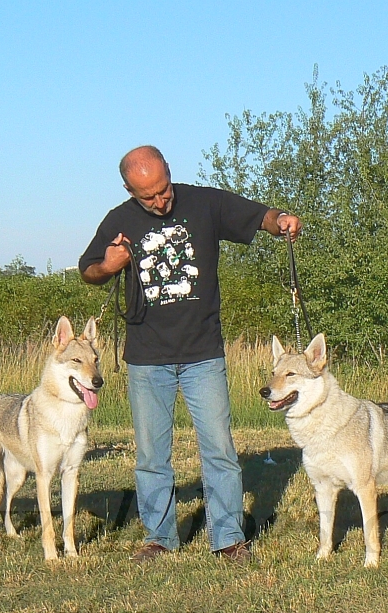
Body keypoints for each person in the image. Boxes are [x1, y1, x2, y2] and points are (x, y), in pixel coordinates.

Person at [79, 145, 301, 563]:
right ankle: (159, 538)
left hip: (203, 355)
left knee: (219, 449)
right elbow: (88, 269)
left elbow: (259, 216)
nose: (161, 200)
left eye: (164, 190)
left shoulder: (204, 202)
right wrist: (108, 266)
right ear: (130, 190)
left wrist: (281, 221)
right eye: (149, 196)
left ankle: (229, 539)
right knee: (151, 456)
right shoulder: (118, 220)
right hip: (146, 359)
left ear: (168, 174)